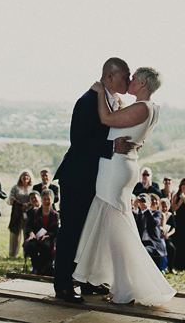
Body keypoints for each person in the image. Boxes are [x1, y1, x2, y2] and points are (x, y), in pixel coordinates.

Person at [73, 66, 175, 306]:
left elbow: (106, 120)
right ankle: (120, 283)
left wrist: (100, 92)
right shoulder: (151, 109)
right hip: (124, 165)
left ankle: (125, 287)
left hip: (115, 168)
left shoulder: (141, 107)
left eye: (132, 79)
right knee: (116, 227)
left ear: (141, 83)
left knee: (116, 231)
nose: (128, 81)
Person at [53, 57, 136, 304]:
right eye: (125, 75)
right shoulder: (87, 101)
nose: (128, 80)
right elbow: (77, 141)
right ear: (110, 76)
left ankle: (88, 281)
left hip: (99, 179)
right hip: (77, 177)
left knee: (93, 230)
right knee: (72, 229)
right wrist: (112, 146)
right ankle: (64, 284)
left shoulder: (111, 102)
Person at [24, 189, 59, 275]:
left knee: (46, 246)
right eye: (45, 199)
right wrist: (31, 233)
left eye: (49, 199)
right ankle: (36, 267)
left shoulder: (55, 215)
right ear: (41, 200)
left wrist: (48, 236)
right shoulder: (34, 211)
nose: (47, 201)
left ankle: (43, 267)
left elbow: (55, 230)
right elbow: (28, 226)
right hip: (35, 236)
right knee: (31, 245)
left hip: (47, 237)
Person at [135, 193, 167, 272]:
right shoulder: (139, 215)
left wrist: (146, 209)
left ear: (150, 203)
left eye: (145, 201)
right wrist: (135, 206)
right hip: (141, 242)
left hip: (153, 244)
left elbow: (154, 223)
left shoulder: (157, 213)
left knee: (144, 251)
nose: (143, 203)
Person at [7, 169, 34, 257]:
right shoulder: (15, 187)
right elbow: (10, 199)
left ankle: (27, 254)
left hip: (29, 214)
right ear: (20, 177)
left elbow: (35, 200)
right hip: (17, 214)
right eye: (24, 175)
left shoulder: (32, 188)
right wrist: (19, 205)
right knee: (14, 234)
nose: (25, 177)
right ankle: (12, 253)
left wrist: (27, 205)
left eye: (27, 176)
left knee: (27, 233)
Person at [160, 197, 177, 274]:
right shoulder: (158, 214)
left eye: (166, 207)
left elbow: (173, 228)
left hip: (167, 237)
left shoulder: (171, 216)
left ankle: (171, 267)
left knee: (171, 248)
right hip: (159, 237)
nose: (164, 208)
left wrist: (168, 235)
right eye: (163, 207)